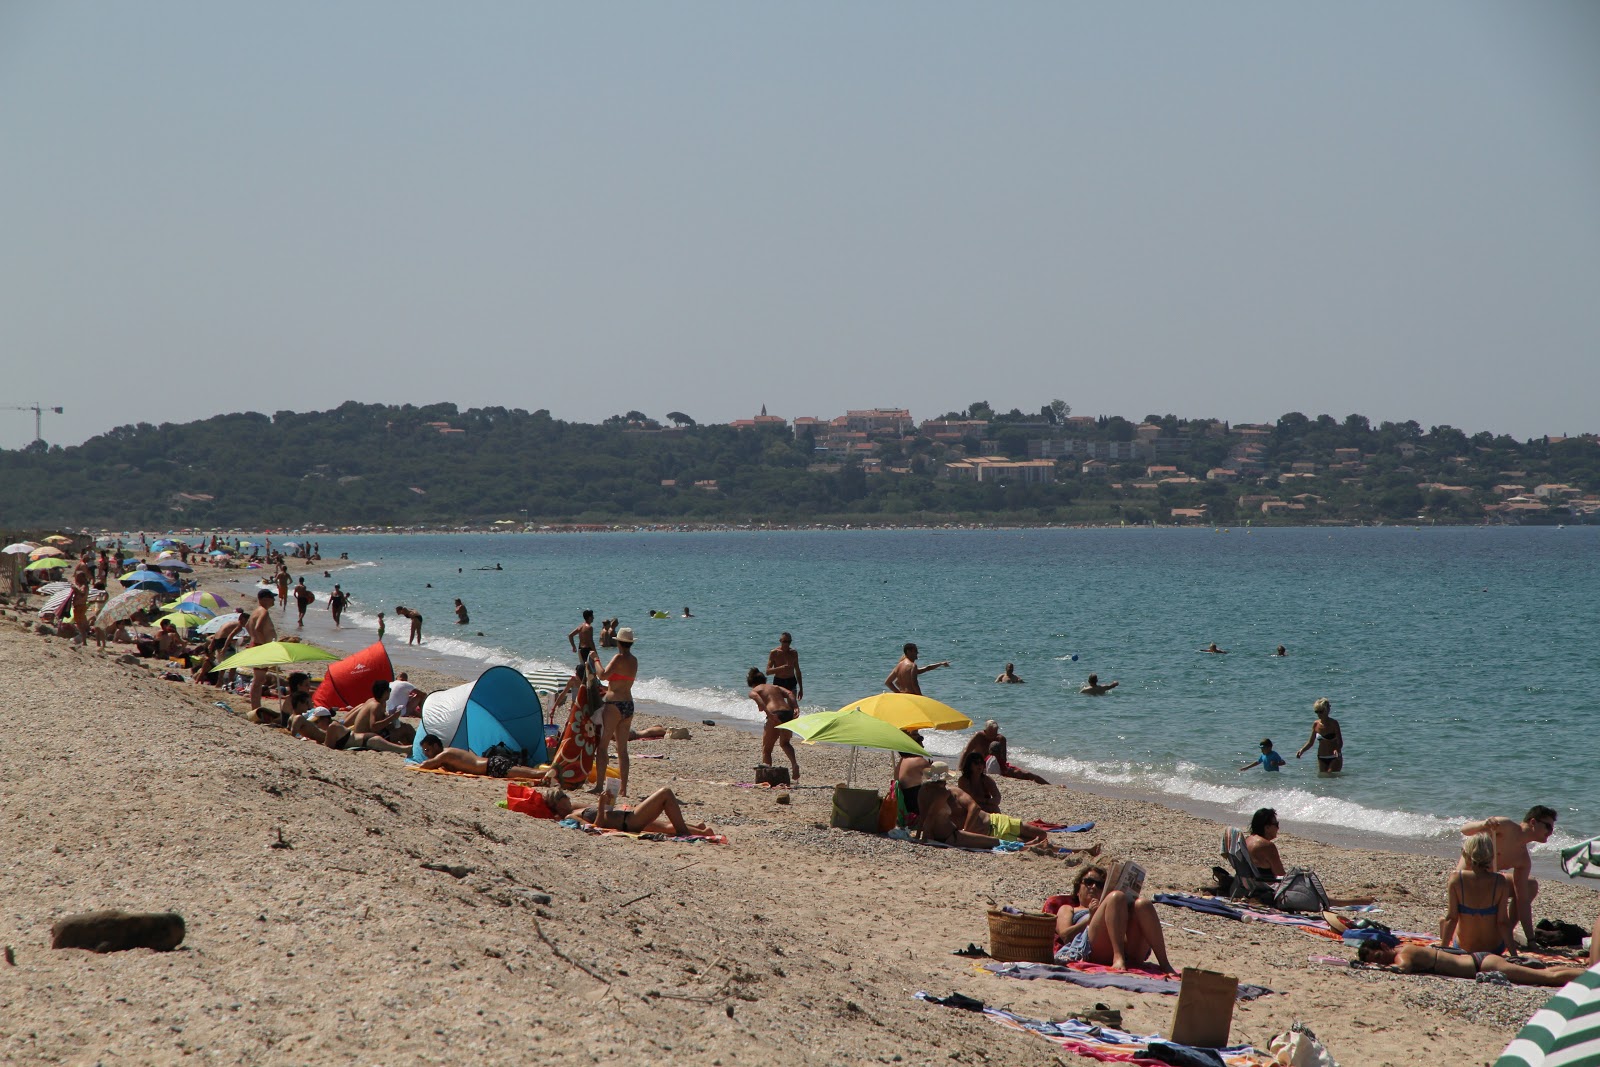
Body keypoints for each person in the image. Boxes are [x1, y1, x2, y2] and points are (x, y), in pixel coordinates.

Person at [1459, 806, 1558, 949]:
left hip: (1490, 883)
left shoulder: (1523, 858)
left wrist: (1531, 939)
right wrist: (1484, 824)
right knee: (1497, 882)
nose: (1550, 832)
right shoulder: (1505, 826)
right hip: (1466, 881)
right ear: (1533, 822)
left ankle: (1504, 932)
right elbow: (1464, 829)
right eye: (1548, 826)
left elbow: (1522, 900)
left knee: (1530, 885)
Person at [1054, 864, 1175, 973]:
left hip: (1127, 946)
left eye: (1100, 885)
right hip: (1092, 948)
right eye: (1089, 882)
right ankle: (1118, 957)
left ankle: (1164, 963)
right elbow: (1065, 936)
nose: (1094, 886)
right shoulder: (1069, 908)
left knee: (1143, 904)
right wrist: (1091, 917)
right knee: (1116, 897)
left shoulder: (1111, 906)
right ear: (1077, 889)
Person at [1244, 808, 1374, 905]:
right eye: (1276, 825)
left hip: (1253, 885)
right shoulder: (1267, 846)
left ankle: (1348, 901)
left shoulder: (1248, 840)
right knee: (1311, 888)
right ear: (1267, 827)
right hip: (1269, 889)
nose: (1278, 828)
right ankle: (1352, 902)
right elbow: (1282, 877)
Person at [1356, 940, 1583, 987]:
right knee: (1545, 972)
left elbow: (1401, 969)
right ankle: (1587, 973)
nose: (1382, 960)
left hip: (1482, 965)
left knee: (1546, 978)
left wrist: (1375, 967)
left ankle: (1592, 977)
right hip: (1479, 960)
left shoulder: (1403, 953)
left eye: (1379, 956)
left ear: (1384, 948)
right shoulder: (1404, 948)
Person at [544, 786, 714, 837]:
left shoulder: (575, 808)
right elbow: (596, 827)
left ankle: (702, 831)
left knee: (666, 827)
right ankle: (686, 832)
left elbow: (602, 813)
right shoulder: (570, 816)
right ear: (559, 803)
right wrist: (602, 804)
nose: (568, 798)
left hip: (627, 816)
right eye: (564, 796)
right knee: (666, 793)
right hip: (629, 821)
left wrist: (608, 801)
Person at [1442, 833, 1513, 955]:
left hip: (1464, 948)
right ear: (1491, 856)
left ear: (1465, 854)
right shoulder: (1500, 881)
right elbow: (1503, 922)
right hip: (1494, 949)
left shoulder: (1456, 879)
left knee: (1442, 921)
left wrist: (1442, 950)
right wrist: (1514, 954)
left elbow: (1451, 918)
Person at [593, 627, 638, 796]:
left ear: (618, 642)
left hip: (614, 705)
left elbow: (603, 675)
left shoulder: (618, 658)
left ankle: (599, 785)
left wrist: (595, 659)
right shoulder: (634, 661)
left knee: (603, 746)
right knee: (622, 749)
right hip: (628, 704)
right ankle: (624, 789)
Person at [747, 668, 801, 782]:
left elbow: (758, 700)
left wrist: (768, 713)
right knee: (785, 743)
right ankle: (794, 764)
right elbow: (790, 693)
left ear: (751, 683)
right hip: (788, 712)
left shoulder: (754, 690)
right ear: (764, 680)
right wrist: (795, 707)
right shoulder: (775, 687)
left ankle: (767, 776)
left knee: (767, 749)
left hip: (775, 714)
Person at [416, 735, 548, 778]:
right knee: (527, 772)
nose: (426, 754)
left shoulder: (444, 754)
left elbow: (425, 766)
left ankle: (552, 771)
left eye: (427, 750)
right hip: (491, 764)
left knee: (533, 774)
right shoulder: (449, 751)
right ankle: (550, 772)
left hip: (492, 765)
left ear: (435, 746)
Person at [245, 589, 278, 711]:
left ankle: (256, 706)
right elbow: (258, 628)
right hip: (260, 646)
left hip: (257, 644)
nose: (274, 600)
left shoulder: (255, 611)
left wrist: (253, 639)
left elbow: (248, 626)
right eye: (272, 597)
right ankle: (256, 707)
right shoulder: (263, 611)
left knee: (259, 679)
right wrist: (265, 645)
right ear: (264, 599)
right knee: (258, 680)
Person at [1295, 698, 1343, 772]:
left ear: (1327, 710)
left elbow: (1340, 741)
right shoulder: (1316, 724)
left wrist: (1337, 749)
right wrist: (1302, 750)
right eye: (1316, 712)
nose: (1318, 714)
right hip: (1321, 757)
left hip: (1334, 757)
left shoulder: (1334, 723)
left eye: (1321, 711)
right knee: (1323, 780)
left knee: (1331, 778)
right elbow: (1310, 742)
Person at [956, 748, 1002, 814]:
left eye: (981, 763)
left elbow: (997, 798)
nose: (980, 765)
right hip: (968, 807)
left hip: (982, 806)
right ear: (969, 765)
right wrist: (987, 801)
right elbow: (968, 799)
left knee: (995, 809)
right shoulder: (964, 780)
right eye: (976, 763)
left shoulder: (987, 780)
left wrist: (984, 801)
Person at [765, 632, 803, 700]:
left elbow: (798, 671)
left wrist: (801, 689)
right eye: (785, 641)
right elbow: (768, 672)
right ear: (780, 641)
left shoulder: (794, 653)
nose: (787, 644)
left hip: (791, 681)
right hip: (779, 681)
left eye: (789, 642)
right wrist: (781, 668)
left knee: (792, 705)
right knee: (779, 706)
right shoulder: (774, 653)